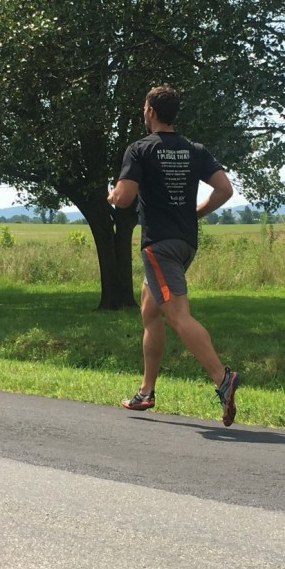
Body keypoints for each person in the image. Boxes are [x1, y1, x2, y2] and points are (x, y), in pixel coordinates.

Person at [107, 85, 240, 427]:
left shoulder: (140, 150)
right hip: (185, 244)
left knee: (178, 315)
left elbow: (124, 198)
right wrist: (194, 213)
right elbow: (224, 189)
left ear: (150, 110)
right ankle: (146, 391)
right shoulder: (195, 150)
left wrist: (112, 195)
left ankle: (222, 378)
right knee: (150, 308)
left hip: (158, 245)